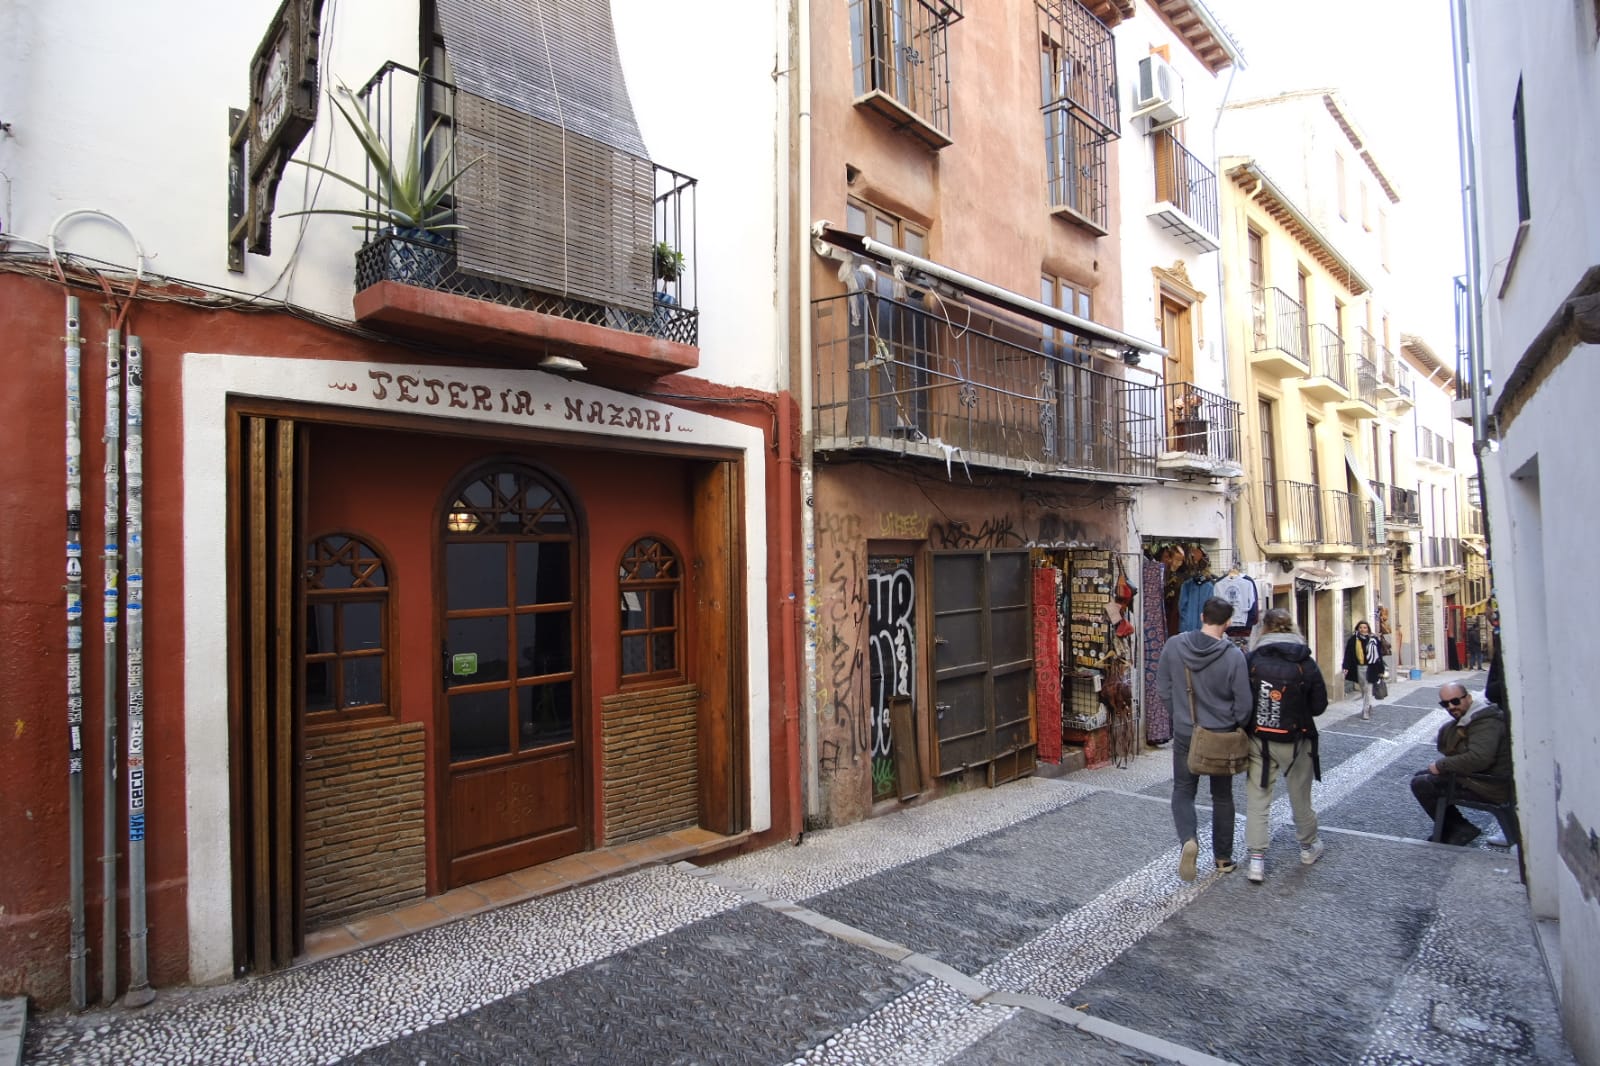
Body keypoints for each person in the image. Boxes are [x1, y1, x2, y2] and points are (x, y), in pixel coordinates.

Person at [1155, 595, 1253, 881]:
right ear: (1228, 623)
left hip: (1188, 731)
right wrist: (1234, 725)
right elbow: (1244, 704)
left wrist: (1180, 716)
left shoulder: (1174, 645)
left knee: (1183, 790)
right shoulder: (1234, 655)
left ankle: (1189, 839)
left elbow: (1162, 687)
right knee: (1222, 796)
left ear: (1201, 617)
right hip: (1221, 736)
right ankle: (1223, 858)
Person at [1243, 609, 1330, 884]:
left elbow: (1243, 700)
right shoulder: (1306, 661)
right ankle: (1307, 847)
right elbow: (1319, 706)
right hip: (1297, 740)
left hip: (1259, 740)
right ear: (1293, 627)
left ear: (1264, 629)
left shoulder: (1253, 659)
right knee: (1300, 798)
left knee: (1258, 799)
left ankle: (1256, 861)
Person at [1409, 681, 1513, 845]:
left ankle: (1458, 828)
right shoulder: (1472, 718)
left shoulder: (1486, 722)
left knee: (1422, 783)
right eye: (1445, 704)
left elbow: (1479, 758)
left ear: (1468, 698)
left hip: (1491, 785)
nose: (1451, 707)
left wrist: (1441, 765)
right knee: (1421, 777)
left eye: (1455, 701)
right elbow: (1447, 745)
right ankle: (1453, 828)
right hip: (1483, 777)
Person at [1341, 620, 1385, 721]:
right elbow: (1348, 654)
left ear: (1368, 629)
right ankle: (1368, 705)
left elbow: (1379, 655)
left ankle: (1365, 711)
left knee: (1368, 690)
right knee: (1363, 689)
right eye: (1360, 627)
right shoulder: (1353, 640)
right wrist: (1345, 667)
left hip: (1371, 668)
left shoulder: (1373, 640)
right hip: (1359, 668)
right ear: (1357, 628)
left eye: (1364, 627)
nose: (1362, 629)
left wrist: (1381, 669)